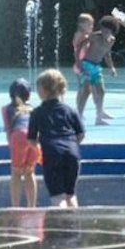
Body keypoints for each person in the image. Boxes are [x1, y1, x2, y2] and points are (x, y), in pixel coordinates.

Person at [27, 68, 86, 207]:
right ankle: (73, 226)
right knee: (70, 194)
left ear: (42, 90)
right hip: (72, 153)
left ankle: (60, 226)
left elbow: (31, 140)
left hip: (52, 153)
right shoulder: (70, 110)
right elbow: (81, 134)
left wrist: (39, 149)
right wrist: (71, 143)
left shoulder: (37, 113)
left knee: (58, 196)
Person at [2, 78, 43, 207]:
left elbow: (9, 130)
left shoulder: (6, 109)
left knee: (16, 172)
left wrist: (12, 145)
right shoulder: (34, 109)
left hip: (18, 135)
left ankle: (16, 206)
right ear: (28, 94)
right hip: (33, 138)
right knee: (30, 171)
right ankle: (32, 206)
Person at [74, 16, 116, 126]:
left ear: (112, 31)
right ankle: (79, 115)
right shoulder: (95, 37)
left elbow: (107, 54)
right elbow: (79, 47)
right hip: (86, 64)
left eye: (107, 30)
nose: (103, 32)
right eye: (102, 29)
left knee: (101, 91)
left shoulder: (111, 40)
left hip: (96, 67)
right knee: (86, 91)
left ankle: (99, 117)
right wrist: (79, 63)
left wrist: (111, 67)